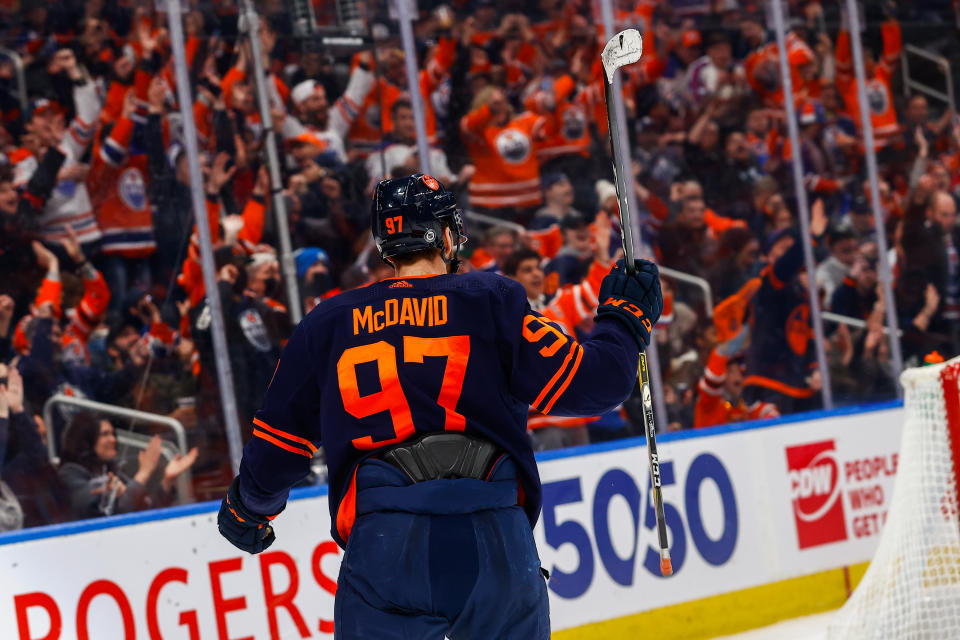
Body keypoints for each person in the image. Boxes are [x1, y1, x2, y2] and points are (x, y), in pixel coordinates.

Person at [217, 174, 663, 639]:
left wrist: (249, 509)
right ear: (447, 235)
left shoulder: (326, 324)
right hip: (494, 538)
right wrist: (624, 318)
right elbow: (599, 384)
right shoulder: (493, 300)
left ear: (385, 244)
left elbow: (277, 446)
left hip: (385, 545)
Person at [58, 412, 197, 519]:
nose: (113, 439)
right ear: (85, 440)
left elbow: (146, 510)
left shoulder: (113, 472)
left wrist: (168, 479)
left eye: (113, 434)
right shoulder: (69, 473)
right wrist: (144, 472)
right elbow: (107, 511)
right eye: (105, 434)